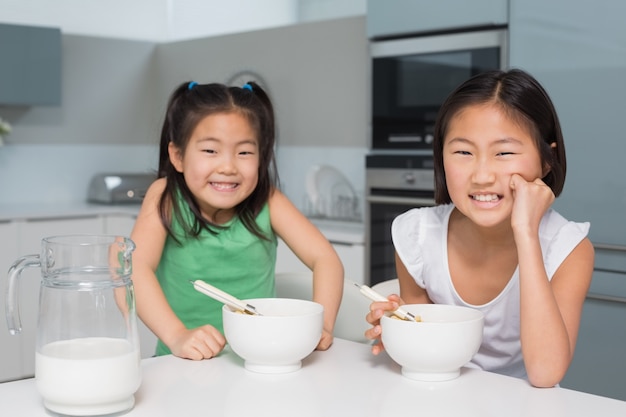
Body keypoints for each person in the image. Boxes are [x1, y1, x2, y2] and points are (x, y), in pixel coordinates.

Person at [365, 69, 594, 388]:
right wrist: (400, 332)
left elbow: (545, 373)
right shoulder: (417, 236)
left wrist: (526, 233)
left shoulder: (568, 249)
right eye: (463, 152)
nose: (482, 175)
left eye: (504, 153)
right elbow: (429, 351)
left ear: (546, 160)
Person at [131, 81, 344, 360]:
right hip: (185, 363)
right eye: (210, 151)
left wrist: (323, 324)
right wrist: (177, 336)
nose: (228, 167)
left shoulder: (268, 199)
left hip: (261, 358)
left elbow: (325, 259)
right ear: (178, 156)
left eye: (244, 152)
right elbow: (134, 269)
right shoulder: (166, 196)